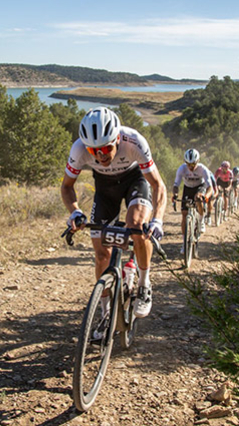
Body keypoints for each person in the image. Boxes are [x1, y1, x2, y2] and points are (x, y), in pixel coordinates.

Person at [61, 106, 167, 325]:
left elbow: (158, 185)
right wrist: (75, 212)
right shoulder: (78, 149)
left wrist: (157, 220)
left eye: (107, 148)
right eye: (93, 151)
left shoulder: (134, 142)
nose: (101, 155)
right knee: (102, 255)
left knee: (137, 225)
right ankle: (105, 314)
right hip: (105, 188)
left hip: (134, 180)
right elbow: (66, 187)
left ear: (117, 138)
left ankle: (144, 283)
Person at [172, 148, 212, 254]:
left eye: (193, 164)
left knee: (198, 198)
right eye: (188, 164)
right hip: (187, 188)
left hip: (200, 187)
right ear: (185, 163)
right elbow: (176, 185)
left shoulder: (203, 169)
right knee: (184, 214)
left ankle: (201, 220)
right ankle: (184, 242)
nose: (191, 167)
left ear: (198, 161)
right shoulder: (181, 169)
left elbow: (210, 187)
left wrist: (206, 196)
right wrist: (175, 194)